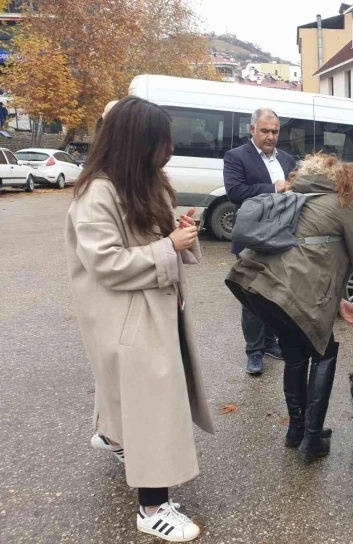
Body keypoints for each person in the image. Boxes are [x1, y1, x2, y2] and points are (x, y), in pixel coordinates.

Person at [65, 96, 214, 542]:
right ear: (135, 143)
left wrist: (178, 233)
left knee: (136, 398)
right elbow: (105, 262)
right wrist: (169, 246)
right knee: (153, 405)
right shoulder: (98, 193)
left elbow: (154, 239)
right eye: (159, 141)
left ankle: (113, 436)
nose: (166, 149)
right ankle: (151, 507)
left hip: (150, 308)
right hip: (126, 316)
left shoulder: (142, 180)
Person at [225, 154, 353, 461]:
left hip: (264, 288)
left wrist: (339, 299)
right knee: (323, 352)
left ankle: (297, 431)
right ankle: (312, 438)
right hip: (296, 295)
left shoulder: (300, 193)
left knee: (296, 356)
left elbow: (311, 255)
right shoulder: (346, 204)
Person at [224, 108, 295, 375]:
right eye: (265, 131)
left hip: (280, 240)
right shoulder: (236, 157)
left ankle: (269, 343)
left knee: (275, 296)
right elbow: (235, 192)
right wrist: (272, 188)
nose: (270, 136)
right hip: (252, 240)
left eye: (275, 131)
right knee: (252, 298)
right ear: (252, 130)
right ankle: (253, 352)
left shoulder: (287, 159)